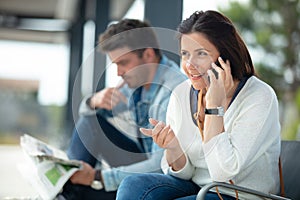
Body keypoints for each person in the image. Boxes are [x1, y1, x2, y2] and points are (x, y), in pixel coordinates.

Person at [116, 10, 281, 200]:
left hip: (241, 195)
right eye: (185, 54)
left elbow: (223, 173)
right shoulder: (181, 93)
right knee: (133, 185)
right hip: (196, 188)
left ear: (224, 56)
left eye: (201, 54)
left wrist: (214, 108)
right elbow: (184, 173)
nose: (189, 64)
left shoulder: (258, 96)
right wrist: (173, 148)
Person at [59, 19, 187, 200]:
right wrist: (93, 101)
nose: (119, 72)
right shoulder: (134, 84)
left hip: (167, 178)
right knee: (91, 121)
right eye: (115, 64)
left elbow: (162, 164)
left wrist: (97, 177)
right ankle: (66, 183)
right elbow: (88, 119)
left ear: (148, 55)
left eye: (123, 62)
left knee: (81, 191)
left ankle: (66, 189)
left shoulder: (172, 90)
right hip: (144, 162)